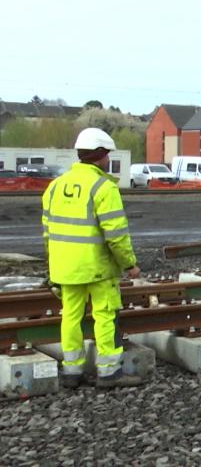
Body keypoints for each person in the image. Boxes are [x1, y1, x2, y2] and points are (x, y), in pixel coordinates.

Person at [42, 127, 143, 389]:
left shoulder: (55, 187)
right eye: (107, 154)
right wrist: (129, 264)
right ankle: (109, 372)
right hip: (97, 268)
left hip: (65, 267)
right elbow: (116, 234)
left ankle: (72, 371)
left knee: (70, 317)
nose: (108, 158)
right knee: (105, 315)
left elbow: (48, 232)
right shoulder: (103, 187)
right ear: (100, 155)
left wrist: (54, 264)